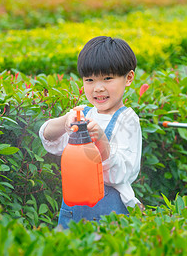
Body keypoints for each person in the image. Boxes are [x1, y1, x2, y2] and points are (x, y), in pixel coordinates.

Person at [39, 36, 142, 228]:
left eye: (108, 78)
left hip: (109, 213)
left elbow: (122, 173)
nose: (98, 88)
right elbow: (47, 137)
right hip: (72, 208)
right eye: (90, 80)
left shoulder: (127, 120)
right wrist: (65, 121)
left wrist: (101, 141)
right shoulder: (82, 114)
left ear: (128, 78)